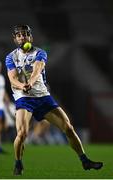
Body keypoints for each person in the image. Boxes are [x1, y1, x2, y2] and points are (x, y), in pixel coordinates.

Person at [5, 25, 103, 175]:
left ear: (30, 37)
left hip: (43, 97)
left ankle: (85, 160)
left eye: (25, 35)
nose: (22, 37)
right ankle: (18, 163)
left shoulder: (40, 52)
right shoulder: (10, 57)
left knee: (68, 128)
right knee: (22, 133)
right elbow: (12, 79)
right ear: (15, 39)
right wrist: (21, 86)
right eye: (19, 35)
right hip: (23, 98)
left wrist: (30, 83)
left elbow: (38, 69)